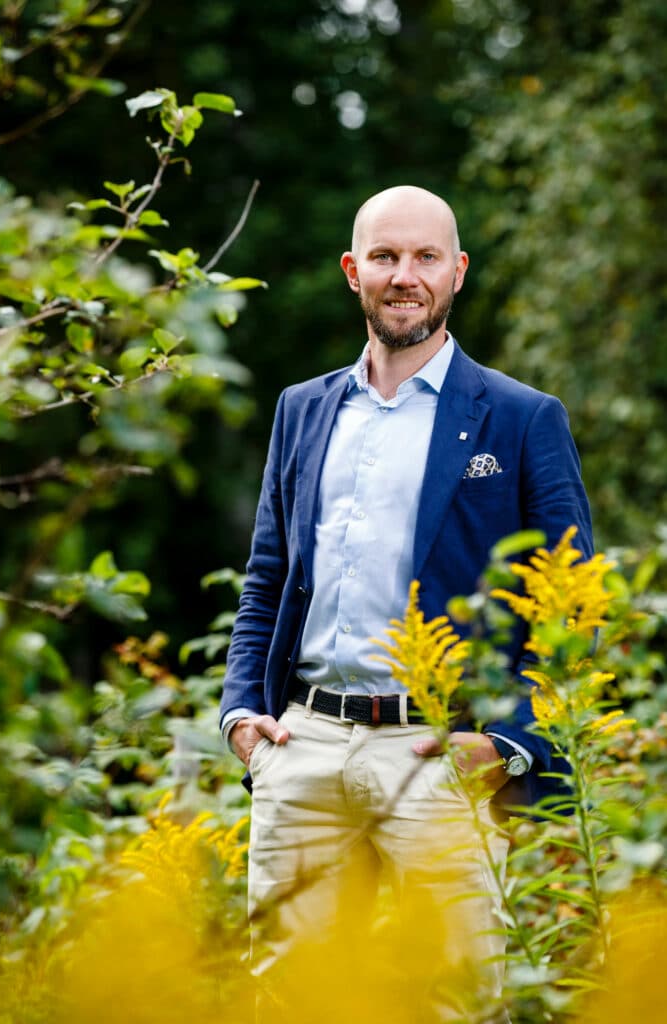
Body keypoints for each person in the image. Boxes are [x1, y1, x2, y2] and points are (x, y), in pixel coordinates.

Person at [220, 185, 593, 1021]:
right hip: (302, 748)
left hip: (439, 753)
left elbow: (574, 604)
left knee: (456, 1000)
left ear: (456, 272)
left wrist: (508, 743)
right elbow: (267, 575)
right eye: (384, 257)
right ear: (352, 272)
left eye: (425, 257)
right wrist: (244, 719)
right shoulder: (302, 411)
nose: (404, 275)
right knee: (291, 1002)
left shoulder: (521, 418)